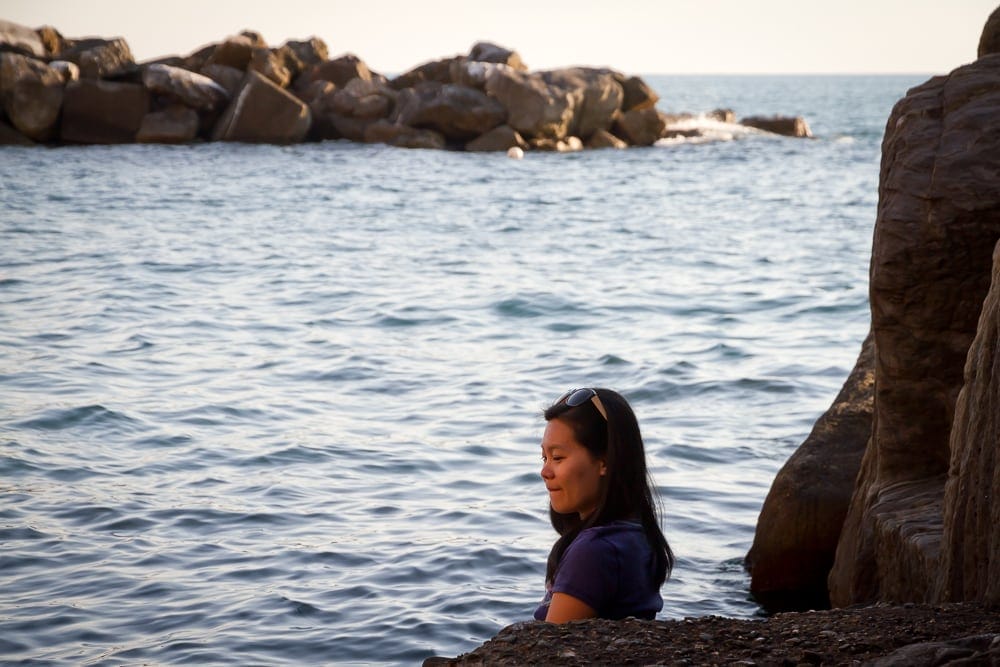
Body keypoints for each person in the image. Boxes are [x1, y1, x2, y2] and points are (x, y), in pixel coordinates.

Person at [534, 387, 673, 623]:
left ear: (604, 461)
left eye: (557, 458)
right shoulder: (634, 534)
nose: (544, 471)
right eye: (544, 458)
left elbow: (551, 648)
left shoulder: (594, 551)